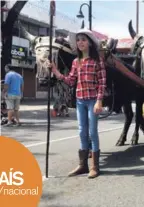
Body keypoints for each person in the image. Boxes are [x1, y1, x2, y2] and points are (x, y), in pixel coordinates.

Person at [49, 28, 106, 179]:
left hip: (93, 100)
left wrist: (99, 101)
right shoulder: (76, 62)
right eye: (78, 40)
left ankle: (95, 167)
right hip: (80, 100)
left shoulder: (97, 61)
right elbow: (70, 80)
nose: (80, 42)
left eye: (83, 39)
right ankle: (83, 165)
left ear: (90, 43)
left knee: (92, 132)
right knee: (82, 131)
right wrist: (56, 72)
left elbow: (102, 82)